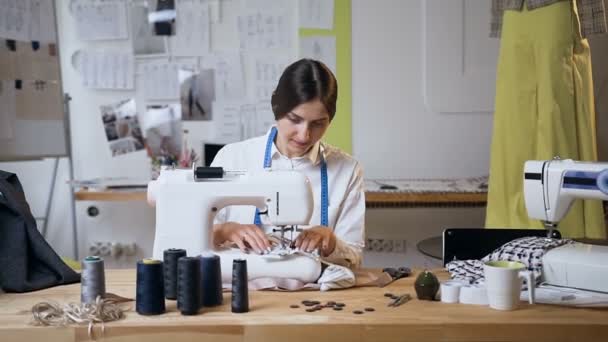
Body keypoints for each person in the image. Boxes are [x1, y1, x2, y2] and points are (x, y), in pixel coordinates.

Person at [211, 59, 365, 268]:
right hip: (245, 289)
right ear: (277, 107)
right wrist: (224, 230)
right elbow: (192, 243)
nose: (304, 135)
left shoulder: (347, 171)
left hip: (316, 294)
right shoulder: (231, 158)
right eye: (295, 119)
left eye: (318, 123)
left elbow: (354, 259)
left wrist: (331, 242)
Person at [485, 0, 607, 238]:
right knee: (512, 128)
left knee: (555, 124)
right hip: (514, 12)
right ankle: (507, 234)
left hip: (554, 9)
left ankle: (564, 232)